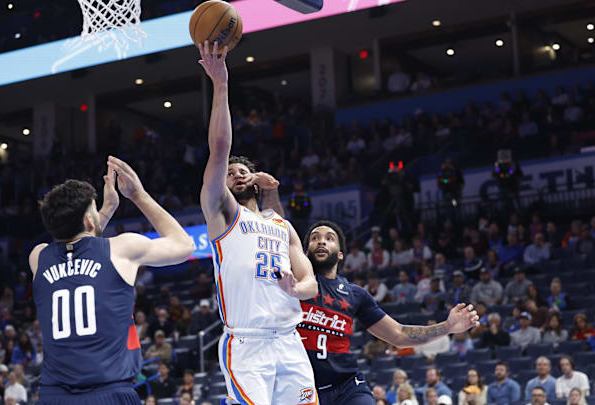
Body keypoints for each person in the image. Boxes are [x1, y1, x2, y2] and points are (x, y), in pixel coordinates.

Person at [197, 40, 318, 405]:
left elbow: (310, 281)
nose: (234, 174)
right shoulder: (223, 212)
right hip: (248, 343)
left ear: (255, 178)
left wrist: (297, 291)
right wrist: (221, 85)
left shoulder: (279, 225)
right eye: (229, 172)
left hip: (289, 340)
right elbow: (219, 149)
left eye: (242, 170)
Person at [29, 157, 194, 405]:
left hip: (54, 395)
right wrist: (139, 196)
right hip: (110, 392)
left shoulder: (38, 257)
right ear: (88, 220)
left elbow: (78, 241)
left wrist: (104, 211)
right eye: (94, 210)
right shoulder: (121, 248)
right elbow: (184, 245)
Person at [282, 220, 479, 405]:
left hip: (348, 386)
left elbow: (399, 335)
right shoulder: (294, 283)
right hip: (304, 388)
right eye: (315, 238)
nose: (321, 241)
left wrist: (448, 327)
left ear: (341, 254)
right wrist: (271, 191)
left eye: (329, 238)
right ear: (304, 252)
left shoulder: (354, 294)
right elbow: (280, 230)